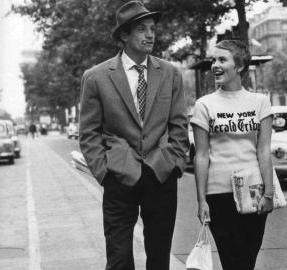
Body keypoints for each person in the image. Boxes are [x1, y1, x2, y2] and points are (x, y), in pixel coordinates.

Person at [79, 2, 189, 270]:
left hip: (160, 175)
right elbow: (88, 133)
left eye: (152, 29)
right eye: (141, 29)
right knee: (117, 259)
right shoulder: (96, 77)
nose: (150, 35)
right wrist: (105, 173)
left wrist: (173, 162)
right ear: (124, 36)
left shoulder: (171, 73)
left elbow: (179, 125)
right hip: (119, 176)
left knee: (159, 257)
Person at [190, 40, 274, 270]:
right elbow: (201, 156)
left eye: (222, 60)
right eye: (214, 60)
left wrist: (269, 193)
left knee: (247, 260)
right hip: (219, 194)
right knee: (231, 260)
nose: (215, 65)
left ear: (239, 66)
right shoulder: (204, 105)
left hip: (253, 191)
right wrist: (201, 200)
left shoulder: (260, 102)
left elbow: (264, 150)